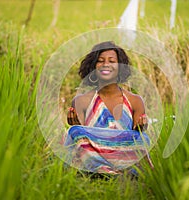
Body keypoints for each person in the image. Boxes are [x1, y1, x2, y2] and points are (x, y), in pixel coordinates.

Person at [64, 41, 153, 175]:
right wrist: (77, 126)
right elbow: (82, 140)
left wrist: (140, 128)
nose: (106, 64)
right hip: (95, 156)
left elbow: (137, 135)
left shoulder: (135, 100)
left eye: (112, 61)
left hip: (124, 156)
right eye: (100, 61)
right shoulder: (81, 101)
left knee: (143, 138)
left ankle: (129, 172)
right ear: (93, 67)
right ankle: (99, 171)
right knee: (75, 131)